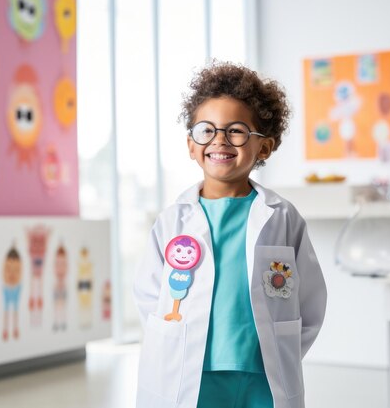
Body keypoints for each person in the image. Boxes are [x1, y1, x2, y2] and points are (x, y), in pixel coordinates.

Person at [133, 61, 327, 408]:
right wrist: (171, 340)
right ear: (192, 146)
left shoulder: (283, 218)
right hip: (191, 369)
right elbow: (149, 294)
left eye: (236, 131)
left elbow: (311, 301)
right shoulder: (172, 220)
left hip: (263, 372)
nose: (219, 140)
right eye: (206, 130)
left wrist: (281, 349)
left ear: (264, 147)